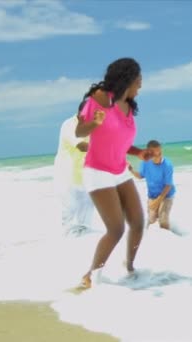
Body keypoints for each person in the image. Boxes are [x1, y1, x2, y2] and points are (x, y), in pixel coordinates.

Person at [75, 58, 150, 289]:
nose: (140, 86)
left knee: (138, 222)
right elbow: (80, 132)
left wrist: (139, 152)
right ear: (127, 79)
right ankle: (90, 276)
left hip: (119, 170)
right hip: (98, 172)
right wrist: (94, 123)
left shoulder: (128, 106)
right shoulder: (100, 98)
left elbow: (118, 142)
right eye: (138, 81)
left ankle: (129, 269)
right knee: (116, 229)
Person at [53, 105, 95, 237]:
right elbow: (82, 146)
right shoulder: (69, 125)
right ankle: (65, 242)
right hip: (66, 174)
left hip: (84, 174)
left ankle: (84, 238)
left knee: (86, 212)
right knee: (69, 213)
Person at [128, 140, 176, 230]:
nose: (158, 155)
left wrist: (158, 200)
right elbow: (141, 176)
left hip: (167, 195)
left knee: (163, 220)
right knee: (151, 221)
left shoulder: (167, 165)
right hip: (152, 195)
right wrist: (131, 170)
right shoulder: (145, 162)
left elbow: (168, 185)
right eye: (155, 153)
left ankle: (170, 237)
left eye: (160, 152)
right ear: (149, 152)